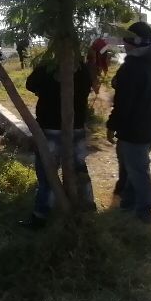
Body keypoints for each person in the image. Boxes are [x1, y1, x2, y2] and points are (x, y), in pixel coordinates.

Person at [23, 56, 96, 228]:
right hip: (76, 128)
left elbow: (30, 84)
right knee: (79, 170)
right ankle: (86, 208)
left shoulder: (48, 66)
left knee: (48, 174)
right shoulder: (82, 68)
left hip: (50, 129)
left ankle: (41, 215)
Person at [106, 21, 151, 224]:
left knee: (137, 169)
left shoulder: (131, 67)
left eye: (128, 39)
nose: (125, 44)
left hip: (134, 129)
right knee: (130, 165)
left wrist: (111, 125)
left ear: (136, 41)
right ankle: (128, 202)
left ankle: (144, 211)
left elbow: (124, 103)